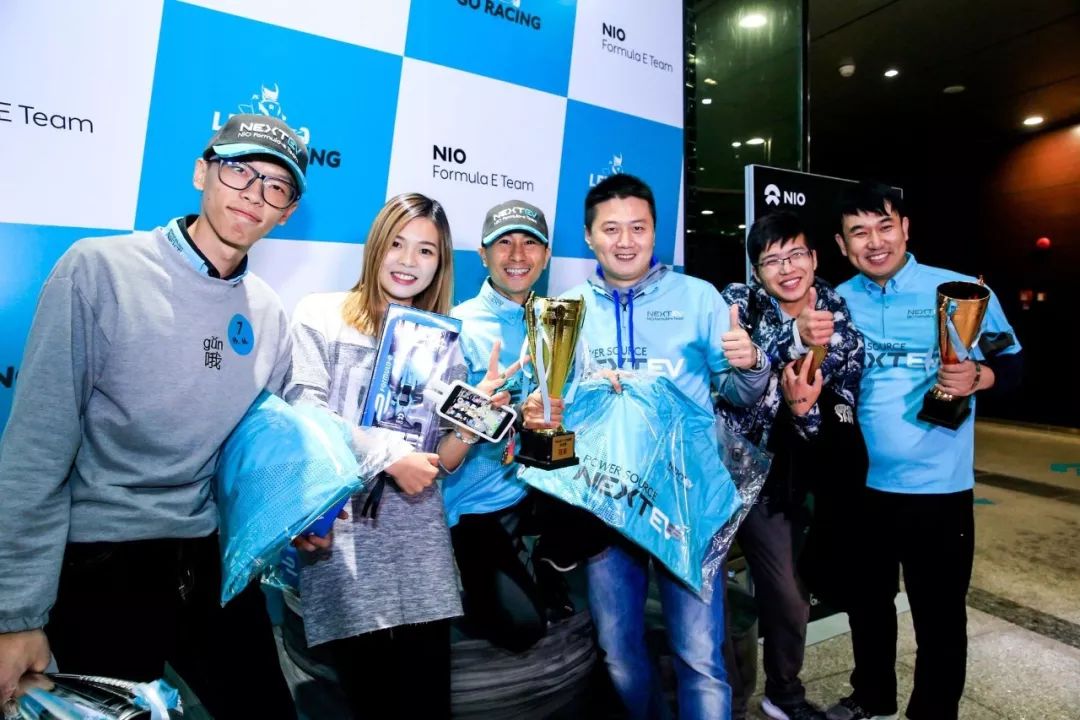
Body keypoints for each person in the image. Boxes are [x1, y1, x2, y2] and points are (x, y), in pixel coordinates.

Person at [0, 114, 305, 717]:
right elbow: (36, 449)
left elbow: (260, 453)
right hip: (101, 557)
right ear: (201, 172)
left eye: (275, 186)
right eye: (239, 170)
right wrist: (16, 614)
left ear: (287, 212)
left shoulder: (269, 312)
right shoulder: (98, 270)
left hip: (207, 556)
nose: (253, 194)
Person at [524, 173, 771, 720]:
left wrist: (752, 363)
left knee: (700, 658)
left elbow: (738, 392)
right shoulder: (565, 310)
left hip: (688, 503)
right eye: (611, 228)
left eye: (638, 227)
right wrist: (552, 405)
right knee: (618, 655)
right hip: (608, 505)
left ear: (655, 232)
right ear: (589, 236)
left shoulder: (698, 297)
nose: (626, 241)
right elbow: (548, 410)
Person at [280, 192, 514, 719]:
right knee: (372, 702)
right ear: (376, 247)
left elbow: (441, 463)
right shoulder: (321, 314)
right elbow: (305, 411)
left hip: (419, 546)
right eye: (397, 244)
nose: (409, 261)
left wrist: (474, 420)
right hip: (342, 541)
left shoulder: (441, 340)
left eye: (426, 251)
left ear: (441, 262)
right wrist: (388, 456)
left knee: (428, 706)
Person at [827, 182, 1023, 720]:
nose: (874, 242)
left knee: (940, 616)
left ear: (906, 229)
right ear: (842, 245)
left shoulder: (959, 291)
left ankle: (933, 712)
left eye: (884, 226)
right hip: (863, 488)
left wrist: (980, 376)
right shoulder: (835, 301)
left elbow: (1013, 363)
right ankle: (872, 696)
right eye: (858, 232)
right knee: (867, 606)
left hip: (940, 489)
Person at [717, 211, 866, 720]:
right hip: (721, 471)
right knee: (704, 593)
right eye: (772, 260)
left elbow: (840, 401)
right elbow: (732, 372)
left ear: (815, 258)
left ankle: (784, 693)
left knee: (786, 595)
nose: (787, 269)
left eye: (796, 254)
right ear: (757, 271)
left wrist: (805, 414)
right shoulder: (737, 302)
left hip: (780, 481)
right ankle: (723, 698)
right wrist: (795, 337)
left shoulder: (837, 313)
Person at [443, 200, 580, 654]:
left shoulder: (558, 319)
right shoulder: (457, 325)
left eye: (530, 243)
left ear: (546, 255)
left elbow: (572, 401)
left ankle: (548, 558)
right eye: (504, 243)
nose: (518, 255)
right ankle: (465, 585)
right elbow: (441, 431)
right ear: (483, 255)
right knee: (522, 628)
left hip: (541, 488)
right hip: (477, 501)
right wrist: (516, 414)